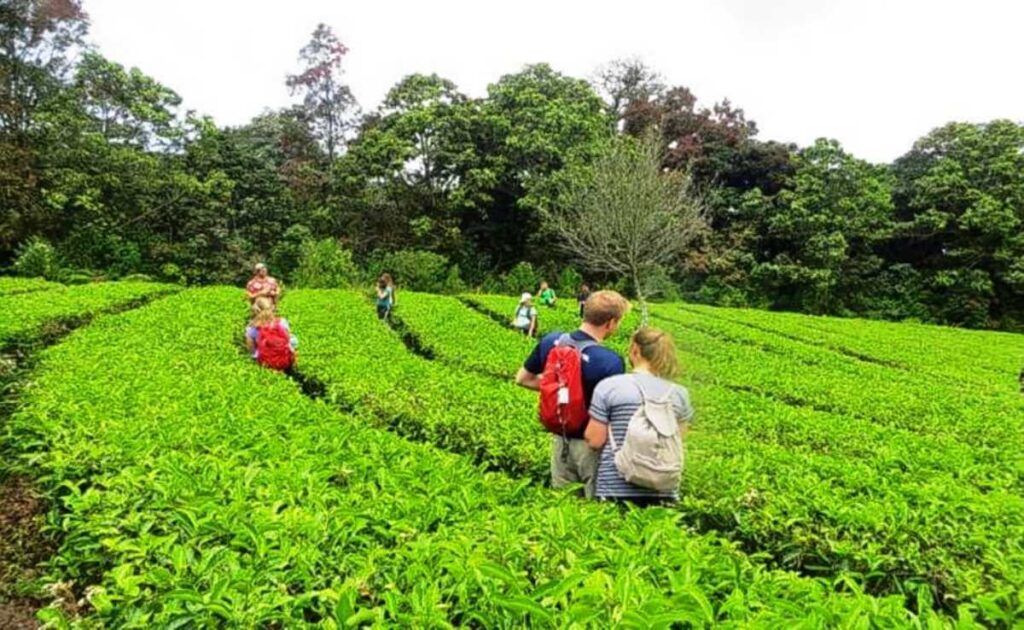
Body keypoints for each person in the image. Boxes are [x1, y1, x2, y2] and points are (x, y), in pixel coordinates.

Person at [516, 290, 631, 498]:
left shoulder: (551, 341)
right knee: (595, 509)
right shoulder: (610, 361)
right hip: (592, 447)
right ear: (611, 322)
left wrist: (561, 389)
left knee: (564, 506)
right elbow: (615, 413)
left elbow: (523, 379)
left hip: (560, 439)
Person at [584, 327, 694, 507]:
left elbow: (595, 440)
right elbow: (678, 438)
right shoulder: (679, 393)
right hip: (663, 488)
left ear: (635, 350)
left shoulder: (609, 386)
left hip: (615, 486)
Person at [245, 297, 298, 370]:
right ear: (272, 308)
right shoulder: (282, 322)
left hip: (265, 364)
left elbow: (252, 350)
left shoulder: (251, 329)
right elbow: (288, 339)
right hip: (286, 361)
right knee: (293, 340)